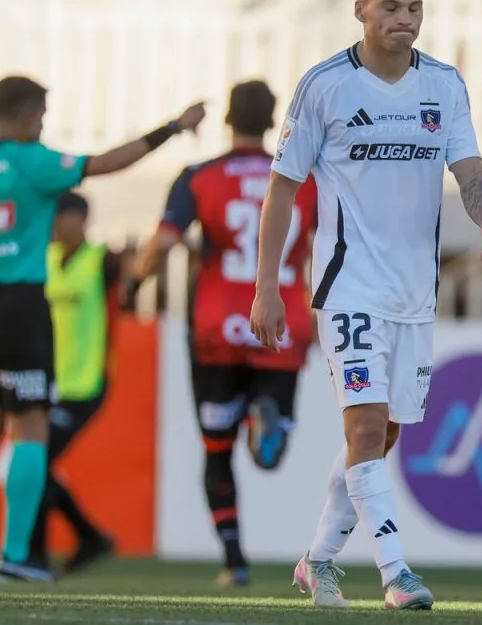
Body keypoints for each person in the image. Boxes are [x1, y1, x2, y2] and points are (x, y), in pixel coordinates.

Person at [248, 0, 482, 611]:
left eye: (415, 7)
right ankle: (397, 573)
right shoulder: (326, 86)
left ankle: (316, 560)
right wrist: (266, 286)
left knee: (385, 435)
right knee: (365, 430)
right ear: (361, 9)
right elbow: (281, 192)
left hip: (412, 293)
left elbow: (470, 171)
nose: (404, 19)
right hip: (348, 287)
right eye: (390, 6)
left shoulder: (445, 86)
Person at [0, 74, 205, 582]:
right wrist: (172, 128)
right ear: (30, 115)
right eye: (44, 116)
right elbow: (108, 163)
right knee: (28, 426)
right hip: (18, 304)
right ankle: (12, 556)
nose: (44, 124)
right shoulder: (34, 162)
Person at [127, 80, 317, 587]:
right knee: (271, 454)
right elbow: (333, 246)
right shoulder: (306, 179)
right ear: (273, 119)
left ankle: (234, 561)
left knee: (215, 450)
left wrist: (131, 283)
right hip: (281, 323)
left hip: (216, 327)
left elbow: (163, 243)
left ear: (229, 120)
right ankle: (268, 420)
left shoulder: (199, 177)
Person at [26, 191, 119, 579]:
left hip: (85, 383)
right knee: (37, 463)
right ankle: (89, 538)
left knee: (37, 460)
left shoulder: (103, 262)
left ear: (81, 219)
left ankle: (35, 556)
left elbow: (125, 294)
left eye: (62, 217)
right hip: (48, 383)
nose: (57, 226)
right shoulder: (44, 261)